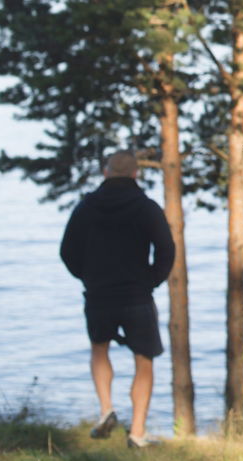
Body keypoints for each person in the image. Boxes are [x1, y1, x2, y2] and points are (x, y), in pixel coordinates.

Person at [60, 150, 175, 448]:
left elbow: (67, 252)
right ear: (136, 174)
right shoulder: (146, 208)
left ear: (106, 172)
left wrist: (88, 277)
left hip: (99, 294)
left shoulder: (86, 207)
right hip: (137, 295)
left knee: (99, 348)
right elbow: (166, 250)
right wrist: (151, 281)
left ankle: (106, 409)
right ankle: (137, 433)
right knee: (144, 360)